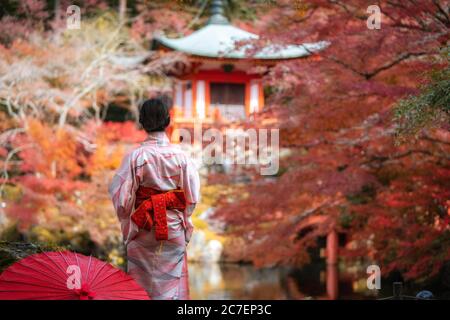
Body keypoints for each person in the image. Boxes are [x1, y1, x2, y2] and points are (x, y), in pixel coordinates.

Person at [108, 97, 200, 300]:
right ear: (168, 121)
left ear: (142, 122)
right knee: (172, 290)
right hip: (173, 228)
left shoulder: (136, 156)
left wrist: (128, 224)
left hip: (144, 225)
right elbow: (192, 198)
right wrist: (185, 220)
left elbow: (121, 199)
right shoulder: (181, 157)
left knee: (141, 290)